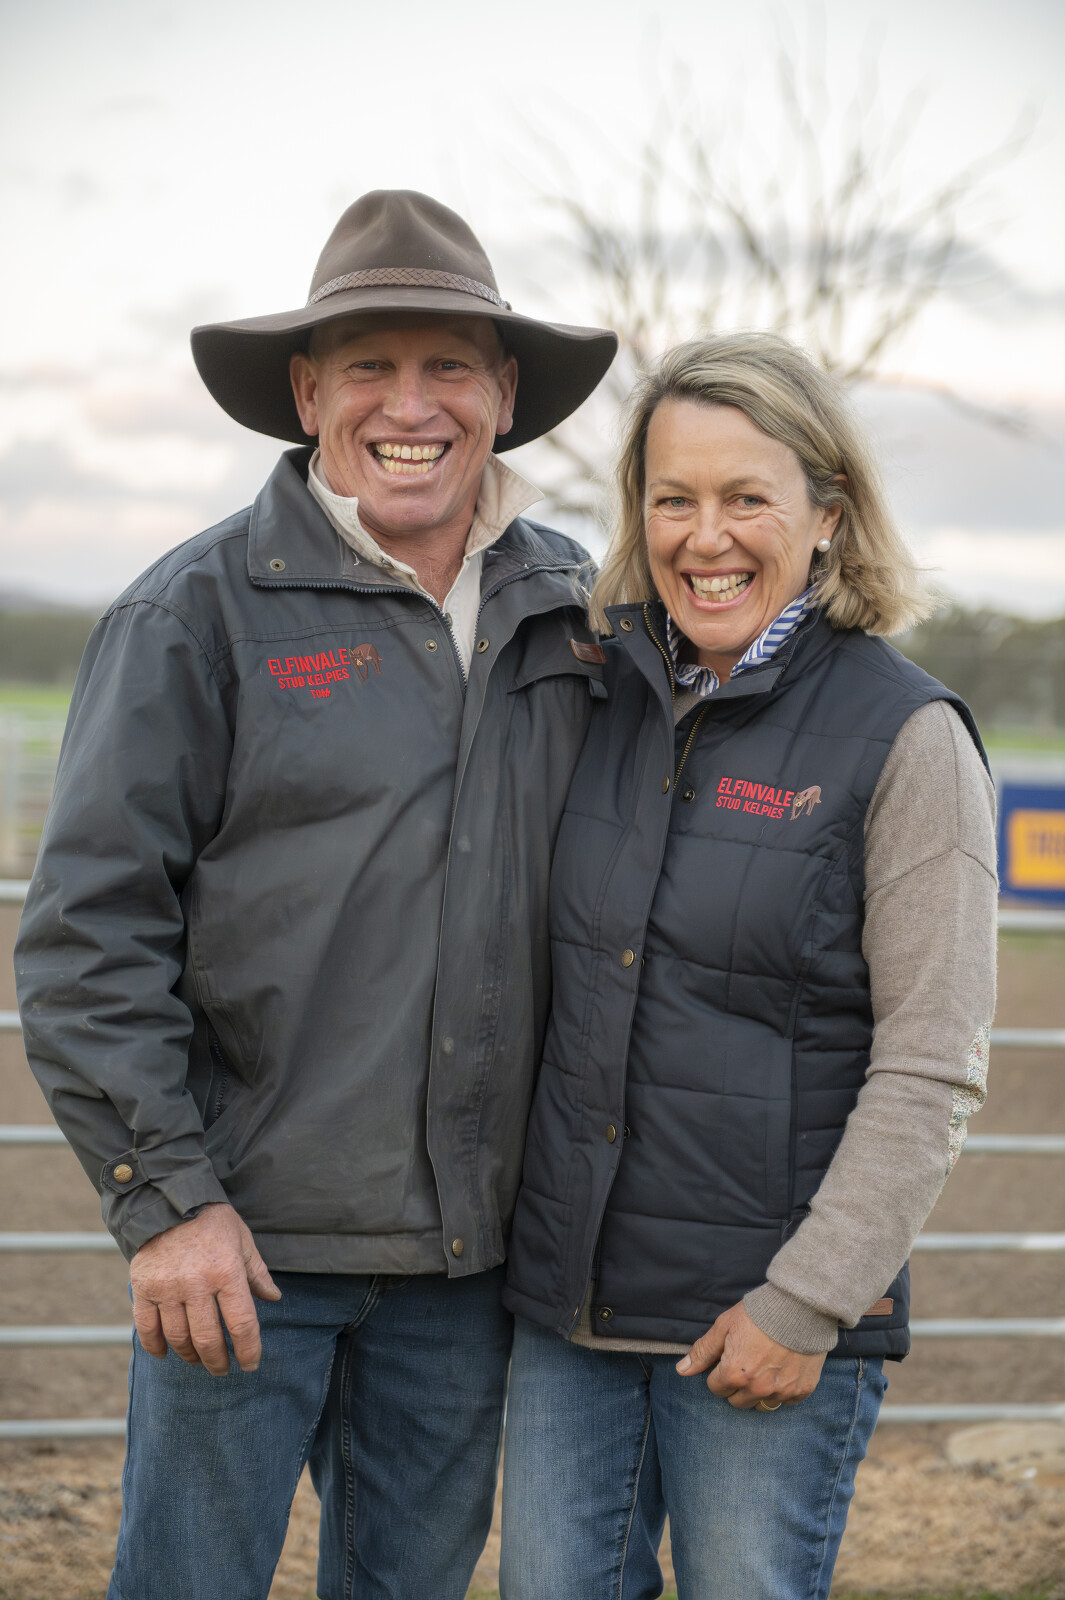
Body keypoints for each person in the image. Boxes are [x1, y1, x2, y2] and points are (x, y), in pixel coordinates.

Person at [14, 189, 617, 1600]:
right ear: (306, 393)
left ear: (504, 393)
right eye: (369, 367)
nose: (411, 404)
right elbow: (88, 940)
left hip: (469, 1263)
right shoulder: (194, 614)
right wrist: (168, 1206)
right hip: (240, 1252)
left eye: (448, 364)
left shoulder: (578, 615)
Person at [499, 332, 997, 1600]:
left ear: (828, 514)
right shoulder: (599, 698)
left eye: (746, 498)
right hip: (572, 1319)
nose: (704, 536)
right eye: (673, 498)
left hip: (764, 1330)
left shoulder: (909, 737)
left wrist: (807, 1304)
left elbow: (933, 1064)